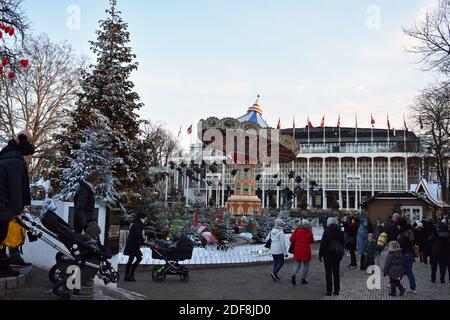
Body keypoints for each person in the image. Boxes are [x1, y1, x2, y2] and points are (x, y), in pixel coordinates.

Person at [0, 134, 35, 278]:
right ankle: (2, 269)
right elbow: (15, 189)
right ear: (24, 154)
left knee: (1, 237)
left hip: (2, 203)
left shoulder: (6, 158)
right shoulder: (16, 162)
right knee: (1, 236)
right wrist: (17, 210)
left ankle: (3, 266)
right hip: (2, 205)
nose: (30, 160)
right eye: (30, 157)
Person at [319, 217, 345, 296]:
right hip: (337, 255)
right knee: (336, 272)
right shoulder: (340, 232)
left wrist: (320, 255)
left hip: (328, 255)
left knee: (328, 273)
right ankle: (336, 290)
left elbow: (323, 244)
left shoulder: (326, 231)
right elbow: (342, 244)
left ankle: (329, 291)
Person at [123, 212, 148, 282]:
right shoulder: (138, 223)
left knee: (131, 260)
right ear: (143, 217)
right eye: (146, 217)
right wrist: (142, 240)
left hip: (133, 245)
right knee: (139, 258)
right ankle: (130, 274)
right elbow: (138, 234)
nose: (147, 218)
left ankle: (127, 275)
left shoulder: (137, 223)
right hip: (133, 245)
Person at [290, 219, 314, 286]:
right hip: (306, 251)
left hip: (297, 250)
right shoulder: (309, 232)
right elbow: (312, 241)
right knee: (306, 265)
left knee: (297, 264)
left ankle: (293, 274)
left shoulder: (297, 230)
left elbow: (291, 239)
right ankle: (303, 279)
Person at [398, 221, 417, 293]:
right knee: (409, 271)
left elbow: (400, 245)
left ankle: (394, 284)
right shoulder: (410, 234)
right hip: (411, 255)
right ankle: (413, 287)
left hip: (404, 255)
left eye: (399, 226)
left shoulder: (403, 235)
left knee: (400, 270)